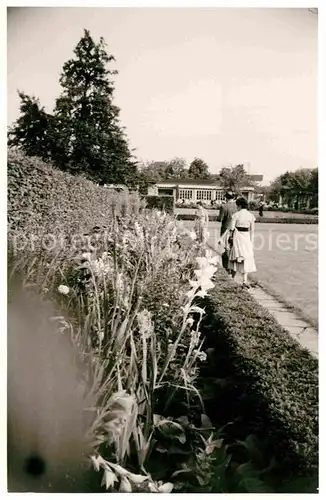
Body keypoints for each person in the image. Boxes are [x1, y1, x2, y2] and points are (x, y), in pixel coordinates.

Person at [228, 197, 256, 288]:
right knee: (246, 258)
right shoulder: (250, 216)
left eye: (237, 206)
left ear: (239, 205)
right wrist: (251, 242)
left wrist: (230, 239)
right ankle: (244, 280)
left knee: (235, 256)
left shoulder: (236, 215)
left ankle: (233, 278)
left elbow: (232, 228)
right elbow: (252, 231)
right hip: (246, 238)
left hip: (237, 237)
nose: (237, 207)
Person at [218, 192, 237, 274]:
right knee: (234, 249)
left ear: (226, 197)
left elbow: (220, 219)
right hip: (236, 230)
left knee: (226, 249)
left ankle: (227, 268)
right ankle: (233, 268)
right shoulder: (237, 206)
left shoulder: (224, 206)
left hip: (226, 229)